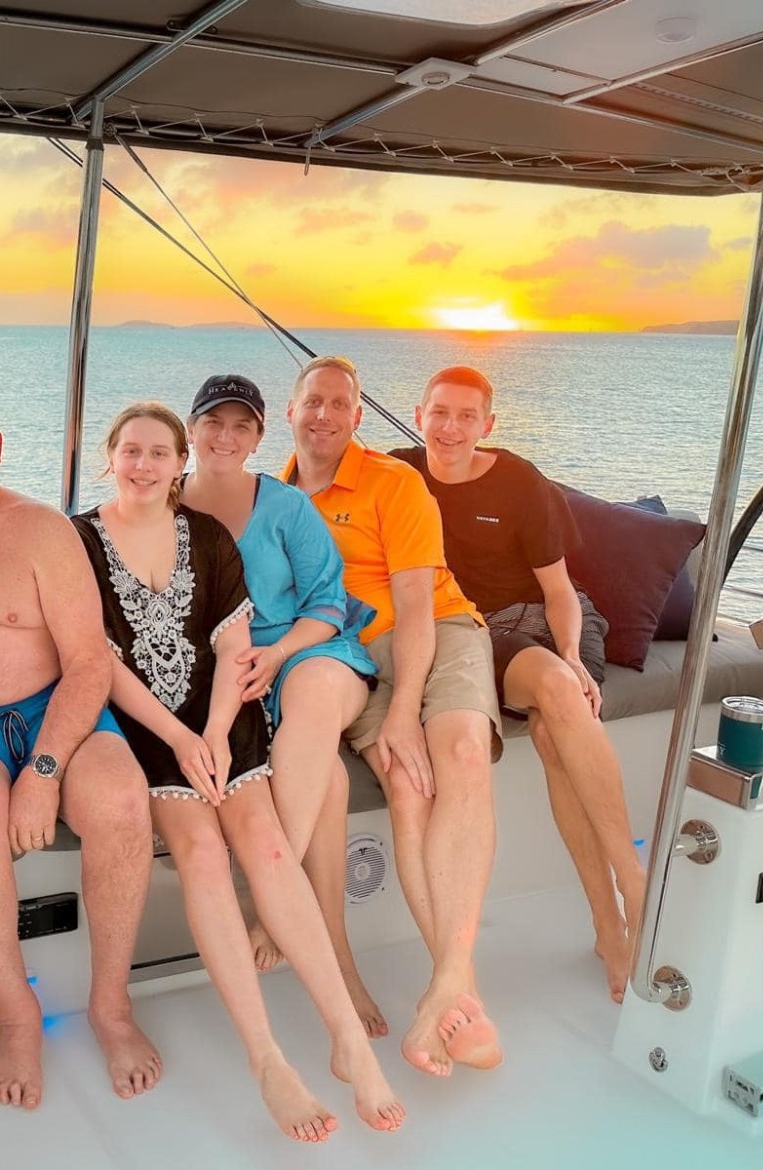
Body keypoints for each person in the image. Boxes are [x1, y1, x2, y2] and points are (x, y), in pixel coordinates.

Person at [75, 403, 404, 1140]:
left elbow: (233, 645)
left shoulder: (207, 534)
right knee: (200, 852)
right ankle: (267, 1062)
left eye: (158, 453)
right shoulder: (82, 539)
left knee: (268, 845)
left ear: (176, 463)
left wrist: (219, 730)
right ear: (111, 457)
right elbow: (102, 662)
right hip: (144, 724)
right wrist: (181, 739)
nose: (144, 464)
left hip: (221, 710)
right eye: (131, 451)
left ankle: (346, 1038)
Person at [0, 373, 161, 1109]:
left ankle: (111, 1005)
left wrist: (43, 770)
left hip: (58, 711)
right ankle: (17, 1014)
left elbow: (87, 664)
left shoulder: (43, 529)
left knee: (118, 801)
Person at [392, 365, 645, 1002]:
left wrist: (572, 654)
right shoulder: (396, 477)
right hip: (480, 633)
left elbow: (560, 591)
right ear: (418, 414)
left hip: (556, 620)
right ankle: (625, 901)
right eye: (439, 413)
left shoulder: (519, 481)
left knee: (561, 720)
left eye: (466, 416)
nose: (451, 428)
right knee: (557, 701)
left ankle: (621, 907)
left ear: (488, 425)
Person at [281, 355, 504, 1078]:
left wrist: (406, 707)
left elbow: (415, 604)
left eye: (339, 404)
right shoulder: (276, 501)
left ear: (357, 416)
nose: (323, 415)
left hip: (439, 631)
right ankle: (456, 993)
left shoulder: (393, 482)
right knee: (409, 785)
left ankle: (450, 982)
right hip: (355, 655)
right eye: (312, 401)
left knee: (462, 753)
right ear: (291, 411)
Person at [178, 375, 387, 1039]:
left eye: (242, 426)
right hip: (228, 670)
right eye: (214, 422)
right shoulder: (165, 504)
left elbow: (327, 602)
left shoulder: (289, 507)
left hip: (310, 651)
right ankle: (342, 967)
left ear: (260, 437)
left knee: (317, 697)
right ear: (191, 429)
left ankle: (272, 907)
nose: (226, 436)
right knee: (322, 778)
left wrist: (276, 654)